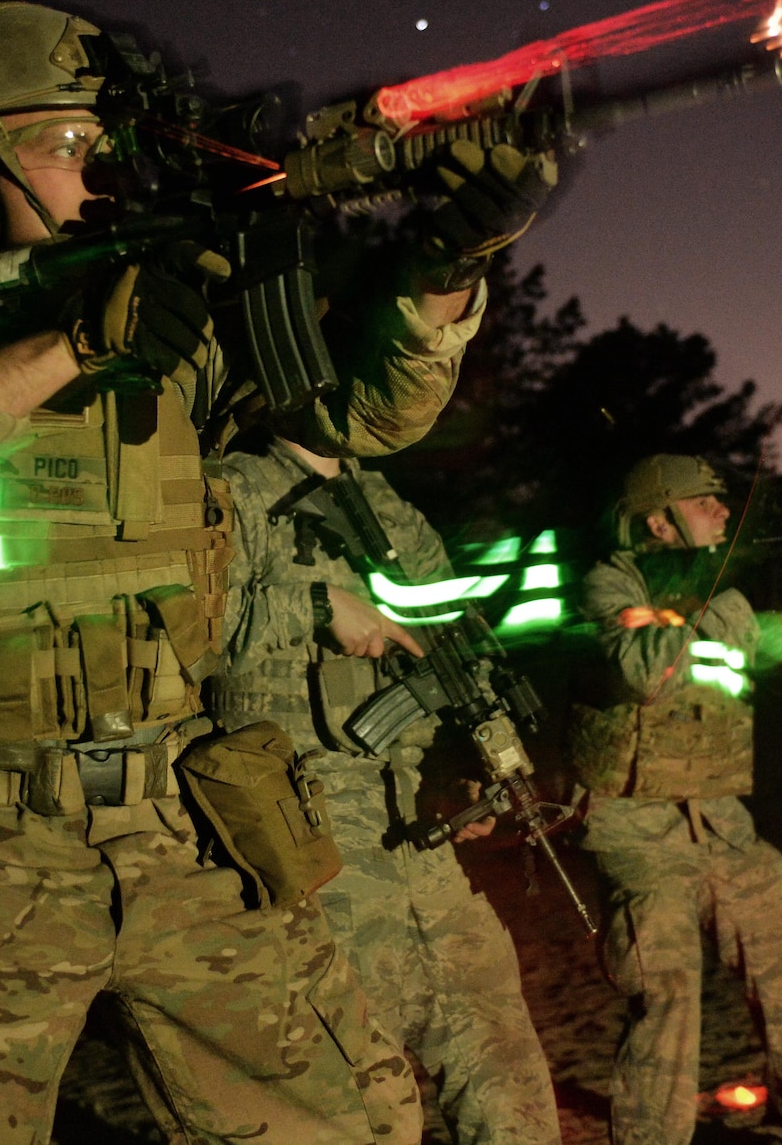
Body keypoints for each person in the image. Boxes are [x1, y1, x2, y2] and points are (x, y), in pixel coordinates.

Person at [0, 0, 553, 1144]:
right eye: (63, 145)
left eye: (109, 147)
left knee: (359, 1121)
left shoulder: (178, 331)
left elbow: (364, 414)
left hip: (187, 820)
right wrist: (70, 346)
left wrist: (445, 272)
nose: (98, 175)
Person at [205, 433, 565, 1145]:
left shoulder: (388, 506)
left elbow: (445, 647)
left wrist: (451, 778)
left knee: (512, 1086)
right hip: (310, 857)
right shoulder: (227, 485)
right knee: (358, 1114)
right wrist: (311, 605)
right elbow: (177, 632)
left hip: (419, 856)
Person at [573, 455, 782, 1145]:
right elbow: (642, 672)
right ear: (659, 520)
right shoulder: (607, 584)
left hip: (721, 824)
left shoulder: (723, 598)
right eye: (708, 503)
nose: (726, 514)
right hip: (635, 828)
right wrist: (704, 589)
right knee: (666, 982)